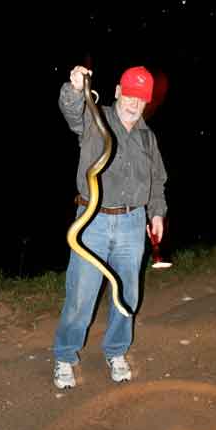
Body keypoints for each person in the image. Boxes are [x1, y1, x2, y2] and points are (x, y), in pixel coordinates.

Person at [53, 64, 168, 388]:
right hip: (92, 221)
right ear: (118, 91)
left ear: (147, 103)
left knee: (126, 294)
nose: (134, 103)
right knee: (81, 294)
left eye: (141, 99)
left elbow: (157, 180)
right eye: (129, 94)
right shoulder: (96, 119)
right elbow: (72, 110)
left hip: (133, 222)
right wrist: (75, 89)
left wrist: (156, 213)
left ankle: (116, 351)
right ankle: (65, 356)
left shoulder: (147, 137)